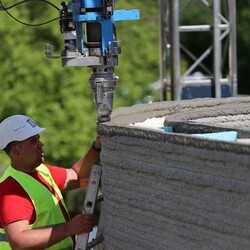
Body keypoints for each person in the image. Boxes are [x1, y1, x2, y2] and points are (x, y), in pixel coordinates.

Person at [0, 114, 101, 249]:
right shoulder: (11, 189)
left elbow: (76, 177)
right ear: (15, 149)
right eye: (33, 141)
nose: (41, 144)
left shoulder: (42, 171)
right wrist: (70, 228)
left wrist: (97, 147)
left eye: (38, 139)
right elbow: (19, 242)